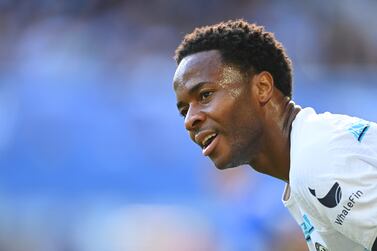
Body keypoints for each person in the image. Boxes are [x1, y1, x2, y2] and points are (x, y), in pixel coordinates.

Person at [172, 19, 377, 251]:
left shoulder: (317, 160)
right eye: (184, 111)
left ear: (262, 88)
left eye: (206, 95)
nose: (190, 120)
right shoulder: (303, 165)